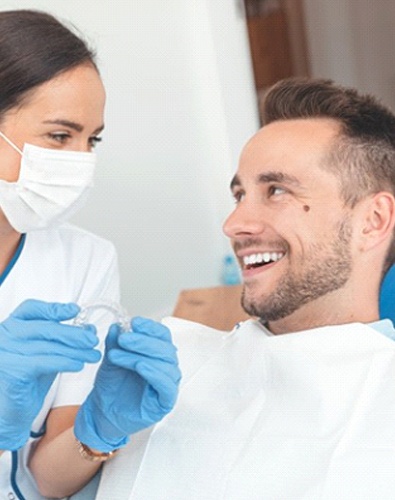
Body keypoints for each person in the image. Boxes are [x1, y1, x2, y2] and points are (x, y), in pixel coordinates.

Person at [92, 77, 395, 499]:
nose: (234, 226)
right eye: (240, 195)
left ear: (373, 220)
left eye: (277, 191)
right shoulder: (173, 367)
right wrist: (90, 441)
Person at [0, 10, 180, 500]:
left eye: (91, 139)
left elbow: (44, 480)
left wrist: (96, 432)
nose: (80, 161)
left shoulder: (84, 260)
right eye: (60, 136)